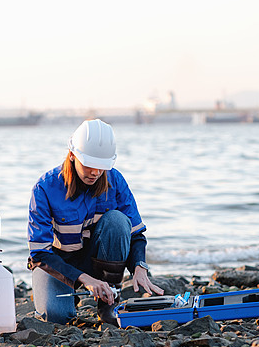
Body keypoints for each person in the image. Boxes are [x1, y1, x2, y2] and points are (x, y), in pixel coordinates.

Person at [27, 118, 163, 324]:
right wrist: (84, 279)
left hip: (99, 261)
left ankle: (109, 302)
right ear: (72, 155)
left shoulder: (115, 180)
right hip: (59, 263)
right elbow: (39, 253)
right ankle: (69, 297)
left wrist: (140, 267)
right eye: (90, 165)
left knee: (118, 221)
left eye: (102, 166)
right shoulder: (45, 187)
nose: (96, 172)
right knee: (56, 317)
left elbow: (135, 234)